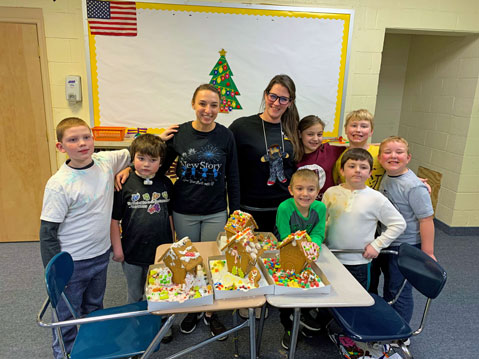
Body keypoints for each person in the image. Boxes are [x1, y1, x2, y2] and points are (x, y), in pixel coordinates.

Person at [117, 84, 239, 340]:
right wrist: (131, 169)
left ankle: (211, 314)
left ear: (220, 108)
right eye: (203, 104)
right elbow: (154, 164)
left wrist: (235, 212)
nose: (208, 110)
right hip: (184, 210)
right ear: (193, 104)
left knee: (213, 262)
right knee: (190, 263)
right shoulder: (179, 133)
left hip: (216, 210)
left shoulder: (226, 136)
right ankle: (193, 310)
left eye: (214, 105)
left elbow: (233, 176)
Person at [39, 117, 131, 359]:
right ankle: (65, 355)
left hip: (100, 256)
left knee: (94, 309)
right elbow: (47, 233)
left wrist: (161, 138)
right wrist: (54, 273)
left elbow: (135, 152)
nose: (82, 143)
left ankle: (92, 350)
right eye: (73, 140)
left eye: (86, 137)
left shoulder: (105, 161)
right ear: (61, 147)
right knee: (66, 318)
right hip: (72, 264)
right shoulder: (59, 184)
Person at [110, 134, 174, 343]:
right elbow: (114, 221)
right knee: (135, 292)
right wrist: (117, 249)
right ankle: (134, 324)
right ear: (132, 158)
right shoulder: (124, 184)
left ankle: (163, 323)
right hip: (132, 252)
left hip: (160, 253)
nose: (146, 164)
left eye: (153, 160)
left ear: (161, 163)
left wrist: (173, 244)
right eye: (141, 158)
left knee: (160, 290)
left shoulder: (166, 183)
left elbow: (170, 216)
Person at [323, 148, 406, 288]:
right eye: (351, 166)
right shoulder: (331, 193)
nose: (357, 170)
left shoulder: (376, 198)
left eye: (363, 167)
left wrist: (376, 245)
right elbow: (323, 221)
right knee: (330, 296)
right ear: (342, 171)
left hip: (358, 262)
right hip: (331, 258)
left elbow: (398, 224)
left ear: (370, 173)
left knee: (355, 300)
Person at [229, 74, 301, 232]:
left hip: (284, 211)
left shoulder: (294, 130)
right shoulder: (242, 127)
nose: (276, 103)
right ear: (265, 95)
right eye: (273, 96)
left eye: (283, 99)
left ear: (290, 103)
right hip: (249, 211)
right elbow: (221, 150)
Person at [378, 136, 435, 324]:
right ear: (379, 159)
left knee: (400, 291)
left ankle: (402, 331)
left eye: (399, 152)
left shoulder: (414, 186)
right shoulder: (389, 175)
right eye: (387, 152)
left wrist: (428, 252)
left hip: (406, 247)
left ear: (408, 158)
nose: (393, 156)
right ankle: (390, 321)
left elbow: (426, 219)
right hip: (389, 242)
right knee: (390, 286)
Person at [275, 169, 327, 350]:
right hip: (288, 249)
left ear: (318, 191)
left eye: (311, 189)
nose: (305, 194)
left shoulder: (320, 208)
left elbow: (319, 233)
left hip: (309, 251)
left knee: (308, 285)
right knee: (287, 289)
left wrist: (312, 247)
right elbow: (284, 236)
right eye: (300, 189)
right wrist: (302, 250)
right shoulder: (285, 208)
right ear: (291, 190)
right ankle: (288, 326)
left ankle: (303, 314)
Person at [296, 115, 345, 200]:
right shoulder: (293, 155)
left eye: (319, 134)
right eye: (310, 134)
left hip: (327, 206)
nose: (315, 139)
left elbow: (354, 148)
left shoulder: (330, 151)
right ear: (300, 134)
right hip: (302, 206)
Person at [333, 109, 385, 190]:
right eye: (354, 125)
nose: (358, 130)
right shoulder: (340, 158)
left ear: (371, 131)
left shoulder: (381, 153)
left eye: (364, 126)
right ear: (346, 130)